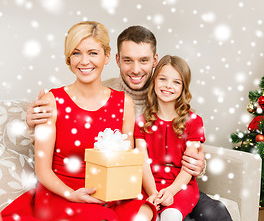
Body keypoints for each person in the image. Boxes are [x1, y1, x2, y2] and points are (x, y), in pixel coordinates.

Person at [25, 25, 232, 221]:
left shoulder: (167, 87)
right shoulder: (104, 93)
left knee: (215, 212)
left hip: (174, 184)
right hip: (141, 183)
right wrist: (31, 120)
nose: (135, 69)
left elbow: (187, 134)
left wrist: (198, 164)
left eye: (143, 60)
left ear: (154, 60)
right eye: (127, 60)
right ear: (115, 59)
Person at [1, 21, 156, 221]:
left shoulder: (124, 103)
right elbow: (43, 170)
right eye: (76, 53)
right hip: (62, 193)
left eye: (93, 53)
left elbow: (125, 161)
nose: (84, 61)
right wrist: (71, 194)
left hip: (110, 192)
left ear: (107, 56)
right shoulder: (52, 101)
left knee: (144, 213)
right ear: (69, 58)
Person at [135, 55, 205, 221]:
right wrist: (153, 194)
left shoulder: (194, 122)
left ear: (183, 87)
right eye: (163, 79)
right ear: (154, 82)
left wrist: (171, 191)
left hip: (180, 186)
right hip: (147, 184)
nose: (168, 86)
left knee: (170, 215)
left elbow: (189, 167)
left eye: (176, 82)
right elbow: (142, 163)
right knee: (141, 217)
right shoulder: (140, 121)